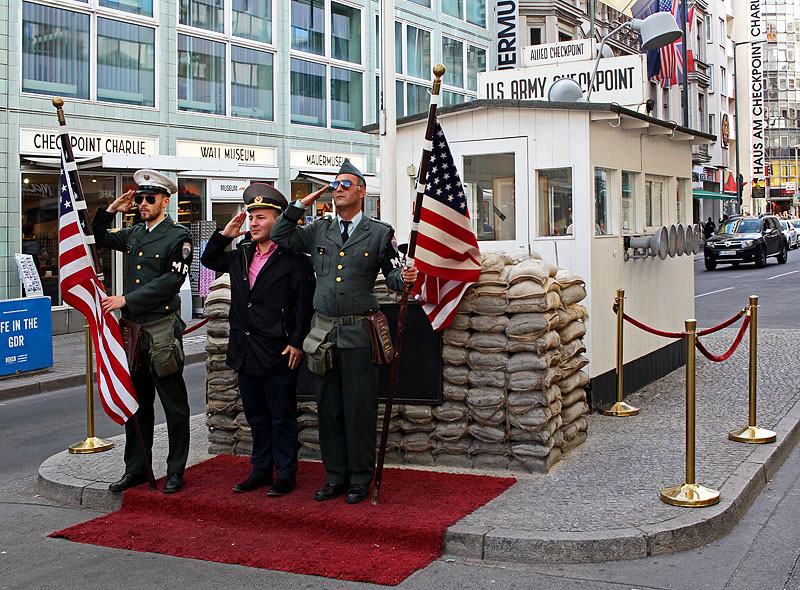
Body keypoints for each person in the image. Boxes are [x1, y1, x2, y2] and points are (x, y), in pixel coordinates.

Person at [271, 158, 418, 504]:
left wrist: (406, 278)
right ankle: (334, 476)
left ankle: (359, 478)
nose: (338, 189)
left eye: (346, 184)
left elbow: (394, 277)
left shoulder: (380, 233)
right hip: (322, 335)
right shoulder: (319, 229)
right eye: (336, 184)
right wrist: (301, 203)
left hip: (357, 334)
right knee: (328, 409)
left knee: (359, 409)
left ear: (362, 191)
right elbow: (280, 236)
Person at [200, 184, 315, 497]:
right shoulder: (241, 255)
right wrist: (225, 233)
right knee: (256, 417)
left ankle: (286, 473)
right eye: (250, 216)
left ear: (278, 221)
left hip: (278, 350)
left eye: (260, 217)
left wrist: (297, 342)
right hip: (245, 351)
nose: (252, 223)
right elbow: (209, 259)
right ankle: (261, 470)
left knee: (282, 417)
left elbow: (304, 306)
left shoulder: (295, 260)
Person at [92, 169, 192, 494]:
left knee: (173, 405)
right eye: (140, 198)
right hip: (133, 333)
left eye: (150, 198)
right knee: (137, 405)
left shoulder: (178, 236)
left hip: (161, 329)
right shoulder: (135, 233)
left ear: (165, 200)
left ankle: (175, 469)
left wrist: (126, 299)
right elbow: (100, 237)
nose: (143, 203)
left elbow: (171, 281)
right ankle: (135, 468)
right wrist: (109, 212)